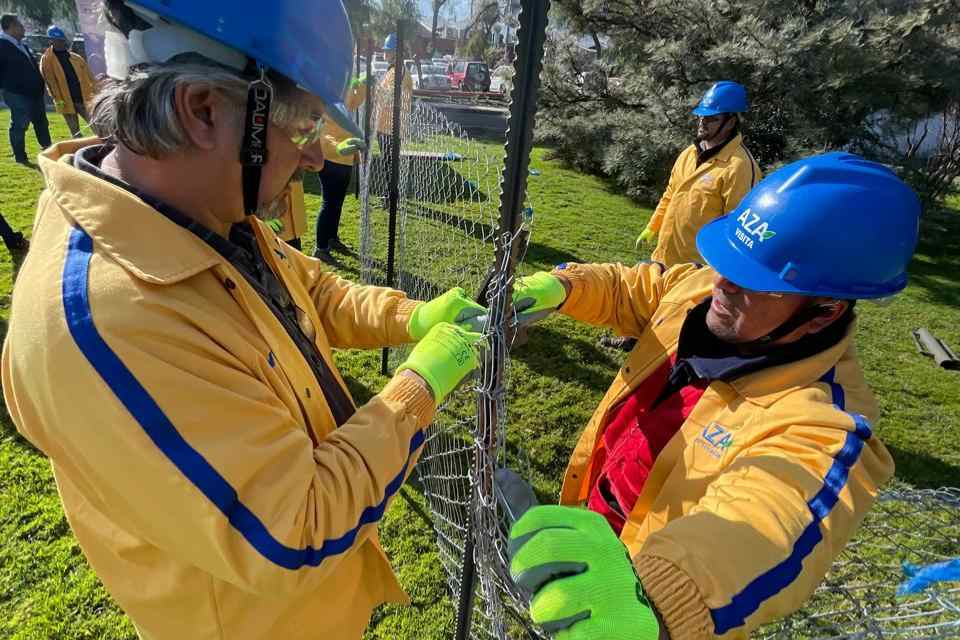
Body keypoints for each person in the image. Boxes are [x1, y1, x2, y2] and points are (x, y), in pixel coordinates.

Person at [1, 1, 488, 638]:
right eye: (307, 124)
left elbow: (307, 290)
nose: (316, 158)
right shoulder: (109, 317)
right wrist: (418, 388)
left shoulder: (188, 211)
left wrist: (413, 315)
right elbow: (297, 527)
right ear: (203, 110)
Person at [506, 152, 920, 640]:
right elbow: (634, 289)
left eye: (753, 280)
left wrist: (654, 600)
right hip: (592, 525)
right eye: (727, 260)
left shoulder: (825, 424)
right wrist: (562, 285)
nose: (722, 281)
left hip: (633, 605)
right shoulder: (706, 291)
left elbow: (765, 518)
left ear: (825, 311)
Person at [604, 80, 762, 351]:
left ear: (732, 121)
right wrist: (652, 227)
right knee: (648, 296)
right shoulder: (689, 154)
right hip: (667, 249)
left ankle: (666, 354)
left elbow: (737, 226)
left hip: (697, 263)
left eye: (711, 119)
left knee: (680, 314)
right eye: (701, 117)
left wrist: (724, 270)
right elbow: (670, 194)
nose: (702, 124)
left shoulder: (740, 167)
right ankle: (632, 338)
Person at [314, 74, 367, 261]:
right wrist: (336, 147)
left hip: (346, 158)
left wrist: (363, 85)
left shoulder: (342, 96)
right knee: (329, 203)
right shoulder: (323, 99)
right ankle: (321, 248)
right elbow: (321, 133)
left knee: (338, 203)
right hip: (330, 158)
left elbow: (355, 100)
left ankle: (332, 237)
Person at [0, 14, 52, 164]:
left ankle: (48, 149)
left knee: (41, 122)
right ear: (10, 27)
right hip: (17, 93)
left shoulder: (20, 44)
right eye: (20, 25)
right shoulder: (2, 45)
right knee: (20, 124)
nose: (23, 28)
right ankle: (20, 157)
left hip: (34, 92)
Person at [39, 25, 97, 138]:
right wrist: (58, 101)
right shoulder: (46, 60)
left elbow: (90, 78)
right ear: (51, 41)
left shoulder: (76, 58)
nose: (60, 43)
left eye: (61, 40)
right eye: (57, 40)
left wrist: (95, 93)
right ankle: (80, 150)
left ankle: (104, 146)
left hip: (83, 98)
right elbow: (50, 83)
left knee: (96, 125)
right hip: (65, 100)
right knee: (75, 131)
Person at [375, 32, 412, 174]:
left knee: (390, 165)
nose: (385, 53)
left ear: (396, 53)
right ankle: (387, 195)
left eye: (388, 50)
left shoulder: (400, 72)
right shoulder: (392, 71)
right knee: (387, 163)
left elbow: (389, 94)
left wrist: (375, 88)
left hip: (392, 127)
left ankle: (391, 195)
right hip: (384, 125)